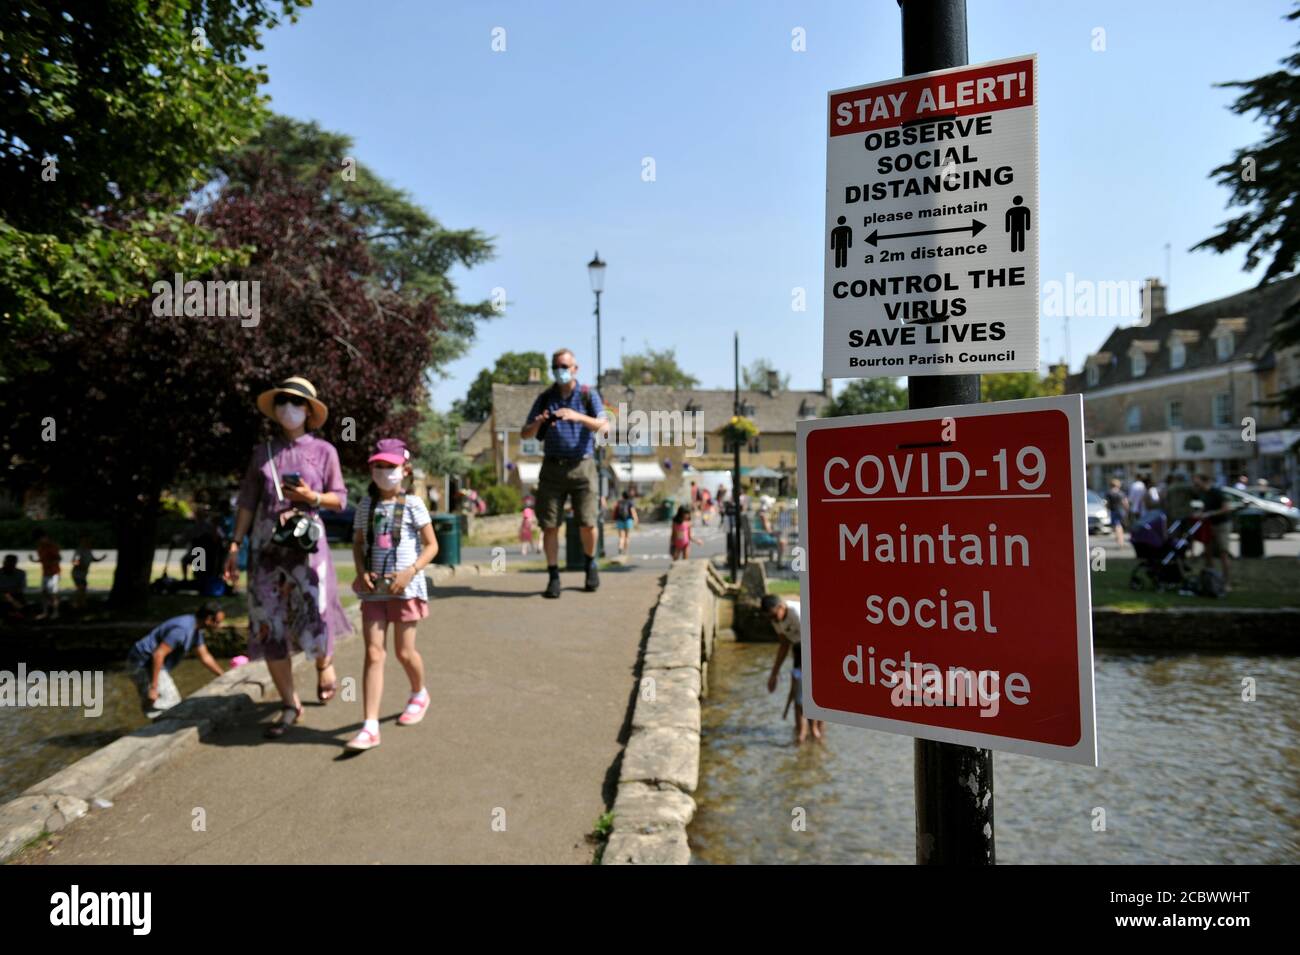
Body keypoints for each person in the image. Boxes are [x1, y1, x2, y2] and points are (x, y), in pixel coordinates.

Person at [223, 377, 351, 738]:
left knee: (315, 611)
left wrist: (312, 496)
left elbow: (340, 498)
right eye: (281, 402)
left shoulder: (324, 451)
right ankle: (289, 704)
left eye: (295, 402)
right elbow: (248, 501)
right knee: (269, 622)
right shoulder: (261, 453)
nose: (287, 408)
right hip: (267, 549)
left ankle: (324, 664)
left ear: (309, 410)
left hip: (306, 548)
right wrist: (235, 544)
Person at [346, 439, 439, 752]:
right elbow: (358, 544)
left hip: (405, 588)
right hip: (374, 590)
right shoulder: (364, 506)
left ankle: (419, 692)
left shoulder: (414, 504)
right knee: (374, 653)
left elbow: (432, 545)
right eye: (379, 466)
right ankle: (370, 726)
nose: (384, 472)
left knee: (404, 652)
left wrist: (410, 571)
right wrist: (360, 571)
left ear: (405, 470)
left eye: (390, 467)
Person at [520, 348, 609, 598]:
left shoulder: (587, 395)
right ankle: (553, 576)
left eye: (565, 366)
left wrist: (577, 416)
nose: (560, 371)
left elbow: (605, 426)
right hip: (552, 467)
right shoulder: (546, 396)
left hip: (582, 466)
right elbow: (525, 433)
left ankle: (591, 564)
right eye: (556, 366)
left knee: (587, 522)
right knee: (549, 525)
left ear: (575, 368)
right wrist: (539, 422)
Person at [127, 601, 226, 718]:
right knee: (169, 701)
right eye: (218, 622)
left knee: (163, 703)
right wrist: (154, 687)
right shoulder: (182, 630)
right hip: (142, 663)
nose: (219, 626)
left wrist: (224, 675)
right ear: (209, 619)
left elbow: (205, 657)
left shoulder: (195, 630)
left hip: (153, 662)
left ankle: (156, 721)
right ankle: (157, 730)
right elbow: (158, 654)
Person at [762, 593, 823, 743]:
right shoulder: (776, 619)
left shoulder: (798, 613)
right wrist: (773, 674)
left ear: (781, 607)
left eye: (774, 616)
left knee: (816, 695)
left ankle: (817, 733)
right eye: (770, 618)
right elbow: (784, 645)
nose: (773, 620)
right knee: (797, 693)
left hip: (817, 646)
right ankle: (801, 734)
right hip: (799, 648)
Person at [1193, 473, 1233, 591]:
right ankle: (1211, 581)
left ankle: (1227, 583)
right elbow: (1205, 508)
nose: (1195, 484)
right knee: (1207, 553)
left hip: (1221, 525)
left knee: (1223, 553)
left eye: (1196, 481)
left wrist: (1210, 514)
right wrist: (1199, 513)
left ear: (1203, 481)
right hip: (1209, 525)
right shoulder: (1203, 494)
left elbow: (1226, 508)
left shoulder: (1216, 492)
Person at [28, 532, 61, 620]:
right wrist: (34, 560)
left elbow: (58, 558)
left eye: (41, 538)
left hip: (54, 574)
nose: (40, 541)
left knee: (53, 593)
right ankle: (45, 612)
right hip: (45, 573)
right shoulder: (40, 548)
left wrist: (50, 564)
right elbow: (42, 560)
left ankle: (55, 612)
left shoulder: (53, 547)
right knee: (44, 593)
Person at [70, 535, 106, 610]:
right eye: (85, 541)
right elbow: (74, 561)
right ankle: (75, 603)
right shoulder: (79, 550)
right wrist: (80, 565)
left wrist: (102, 558)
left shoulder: (89, 551)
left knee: (83, 588)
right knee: (81, 587)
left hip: (83, 574)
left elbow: (94, 559)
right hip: (77, 573)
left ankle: (82, 604)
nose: (87, 542)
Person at [0, 554, 28, 620]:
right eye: (9, 562)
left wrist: (7, 591)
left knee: (8, 597)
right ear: (5, 562)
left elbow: (21, 587)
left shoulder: (21, 573)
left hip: (15, 594)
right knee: (6, 596)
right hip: (3, 594)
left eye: (12, 562)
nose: (10, 564)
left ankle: (13, 613)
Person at [613, 490, 637, 555]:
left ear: (622, 495)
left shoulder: (619, 502)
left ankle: (620, 547)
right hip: (628, 520)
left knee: (621, 536)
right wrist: (635, 519)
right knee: (627, 536)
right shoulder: (630, 502)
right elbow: (633, 512)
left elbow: (615, 510)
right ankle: (625, 551)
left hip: (619, 520)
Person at [1104, 478, 1128, 546]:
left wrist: (1107, 509)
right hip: (1121, 510)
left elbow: (1107, 503)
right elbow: (1125, 502)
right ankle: (1121, 540)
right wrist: (1126, 511)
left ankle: (1119, 540)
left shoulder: (1109, 493)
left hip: (1113, 510)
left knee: (1117, 526)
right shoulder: (1121, 493)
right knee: (1120, 525)